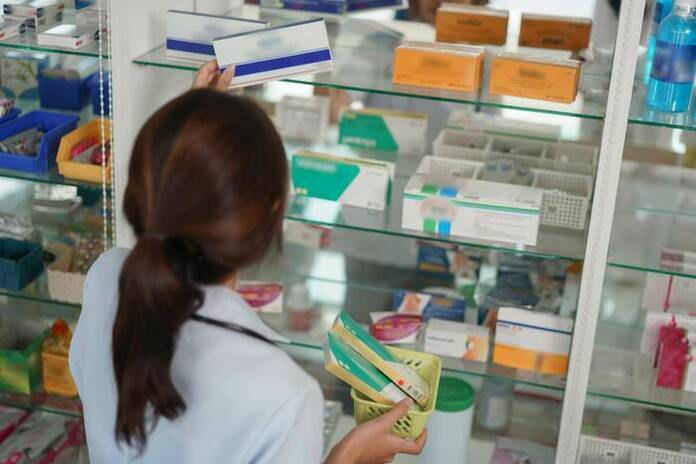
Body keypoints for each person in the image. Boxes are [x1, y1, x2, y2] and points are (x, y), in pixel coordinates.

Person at [68, 62, 427, 464]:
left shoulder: (105, 279)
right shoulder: (283, 395)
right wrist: (347, 457)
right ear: (271, 219)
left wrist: (194, 133)